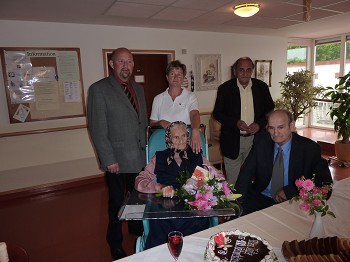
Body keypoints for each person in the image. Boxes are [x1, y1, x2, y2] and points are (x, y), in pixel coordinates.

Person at [87, 47, 148, 259]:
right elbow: (97, 128)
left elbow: (141, 122)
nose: (126, 66)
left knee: (139, 198)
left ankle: (136, 229)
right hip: (117, 161)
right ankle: (114, 241)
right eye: (121, 62)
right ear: (112, 64)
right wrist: (108, 159)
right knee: (116, 204)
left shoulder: (138, 89)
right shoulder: (99, 89)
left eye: (129, 62)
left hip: (139, 157)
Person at [135, 121, 224, 249]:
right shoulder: (159, 157)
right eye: (176, 137)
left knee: (196, 237)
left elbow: (219, 177)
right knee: (160, 229)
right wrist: (159, 187)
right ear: (169, 139)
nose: (181, 140)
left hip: (194, 211)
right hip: (164, 212)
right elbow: (140, 180)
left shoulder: (198, 155)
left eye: (184, 136)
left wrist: (203, 181)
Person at [235, 109, 333, 215]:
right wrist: (236, 202)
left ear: (291, 126)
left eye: (281, 127)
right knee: (234, 220)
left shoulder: (309, 148)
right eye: (271, 128)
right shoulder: (261, 142)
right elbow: (246, 173)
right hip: (261, 196)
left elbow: (324, 182)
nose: (276, 133)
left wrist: (292, 191)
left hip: (293, 201)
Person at [212, 57, 275, 185]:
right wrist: (235, 122)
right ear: (235, 71)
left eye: (248, 70)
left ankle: (252, 204)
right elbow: (217, 113)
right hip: (232, 140)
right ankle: (234, 204)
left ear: (252, 71)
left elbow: (270, 109)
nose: (245, 73)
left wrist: (259, 124)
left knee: (255, 178)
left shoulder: (261, 87)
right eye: (241, 69)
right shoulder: (225, 89)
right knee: (233, 182)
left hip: (255, 140)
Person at [149, 60, 202, 154]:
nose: (176, 77)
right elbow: (151, 125)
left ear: (183, 78)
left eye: (179, 74)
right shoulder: (158, 99)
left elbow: (194, 115)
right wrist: (161, 122)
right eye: (172, 74)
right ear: (167, 77)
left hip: (185, 145)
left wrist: (195, 130)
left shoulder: (190, 96)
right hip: (163, 146)